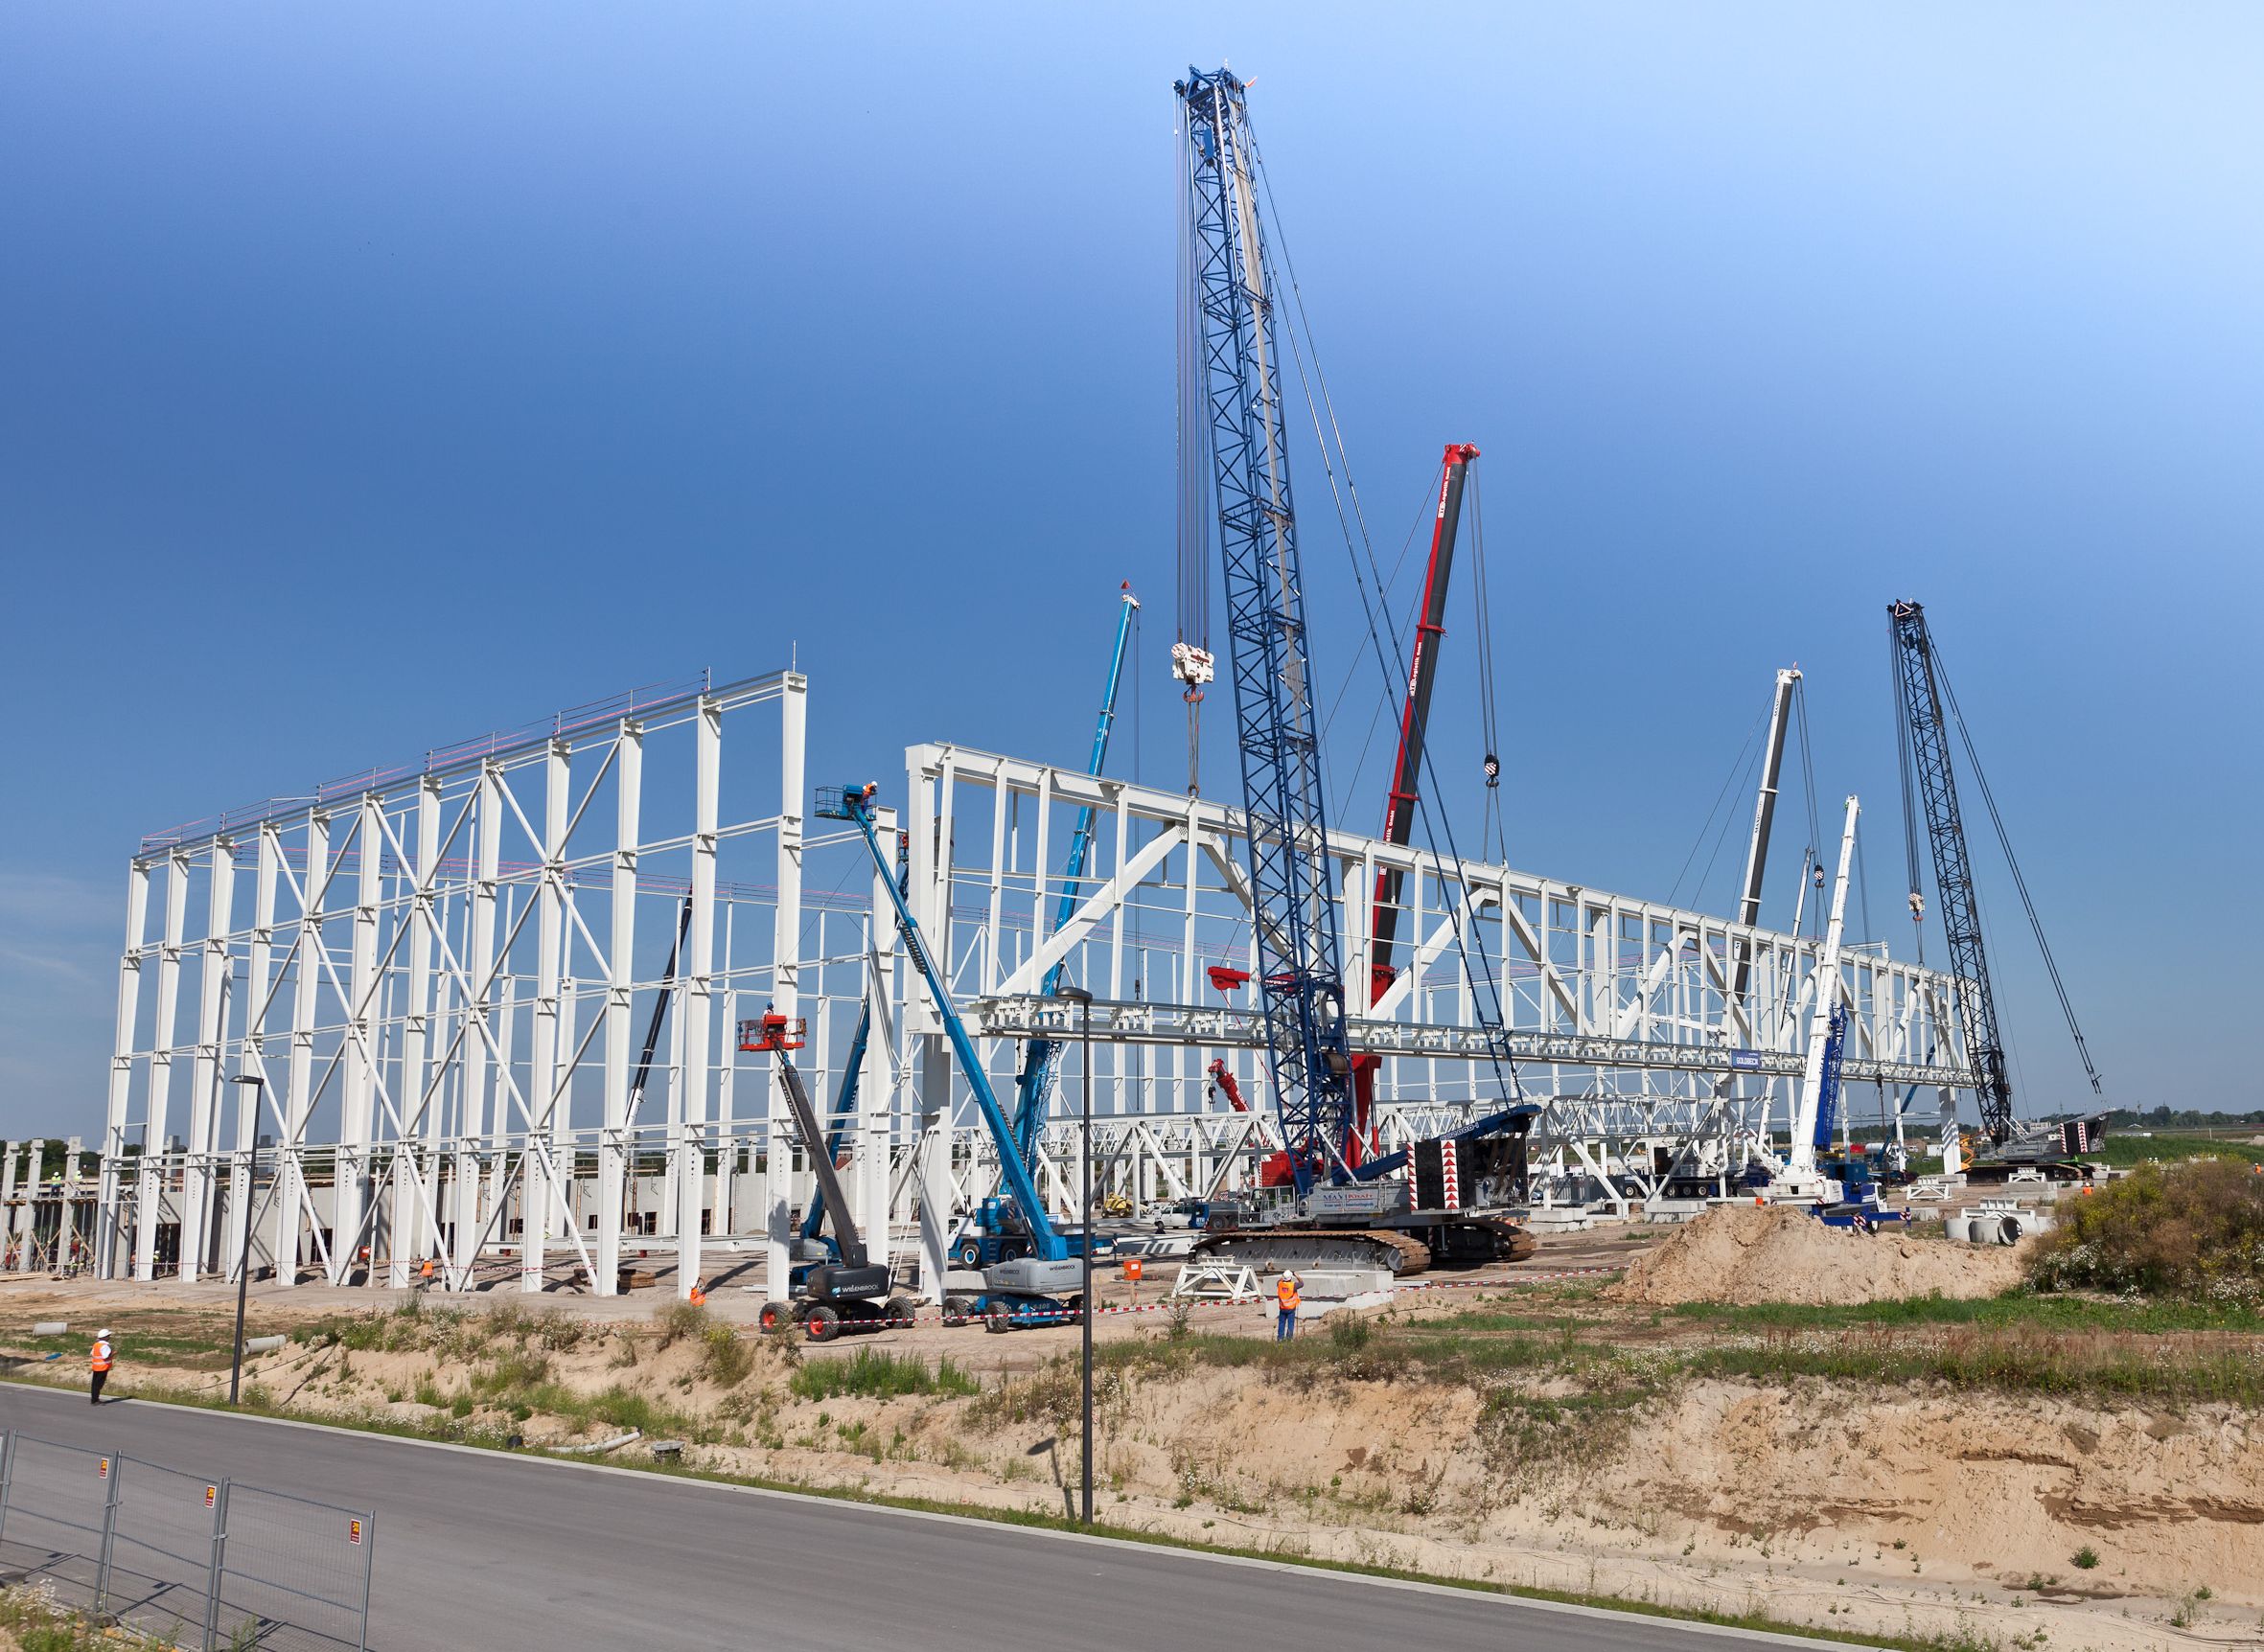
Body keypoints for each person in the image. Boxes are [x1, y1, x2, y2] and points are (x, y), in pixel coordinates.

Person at [1274, 1272, 1301, 1342]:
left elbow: (1279, 1281)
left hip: (1282, 1308)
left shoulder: (1279, 1284)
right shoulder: (1293, 1285)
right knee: (1290, 1324)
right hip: (1291, 1308)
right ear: (1291, 1277)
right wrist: (1297, 1276)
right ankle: (1289, 1339)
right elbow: (1302, 1283)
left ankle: (1280, 1338)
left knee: (1281, 1323)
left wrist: (1282, 1277)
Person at [89, 1329, 113, 1404]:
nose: (109, 1337)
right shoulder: (105, 1346)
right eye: (108, 1336)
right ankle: (95, 1400)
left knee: (94, 1384)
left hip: (96, 1367)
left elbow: (92, 1354)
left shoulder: (96, 1345)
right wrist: (114, 1354)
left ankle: (94, 1399)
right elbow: (106, 1356)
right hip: (103, 1368)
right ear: (105, 1337)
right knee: (98, 1385)